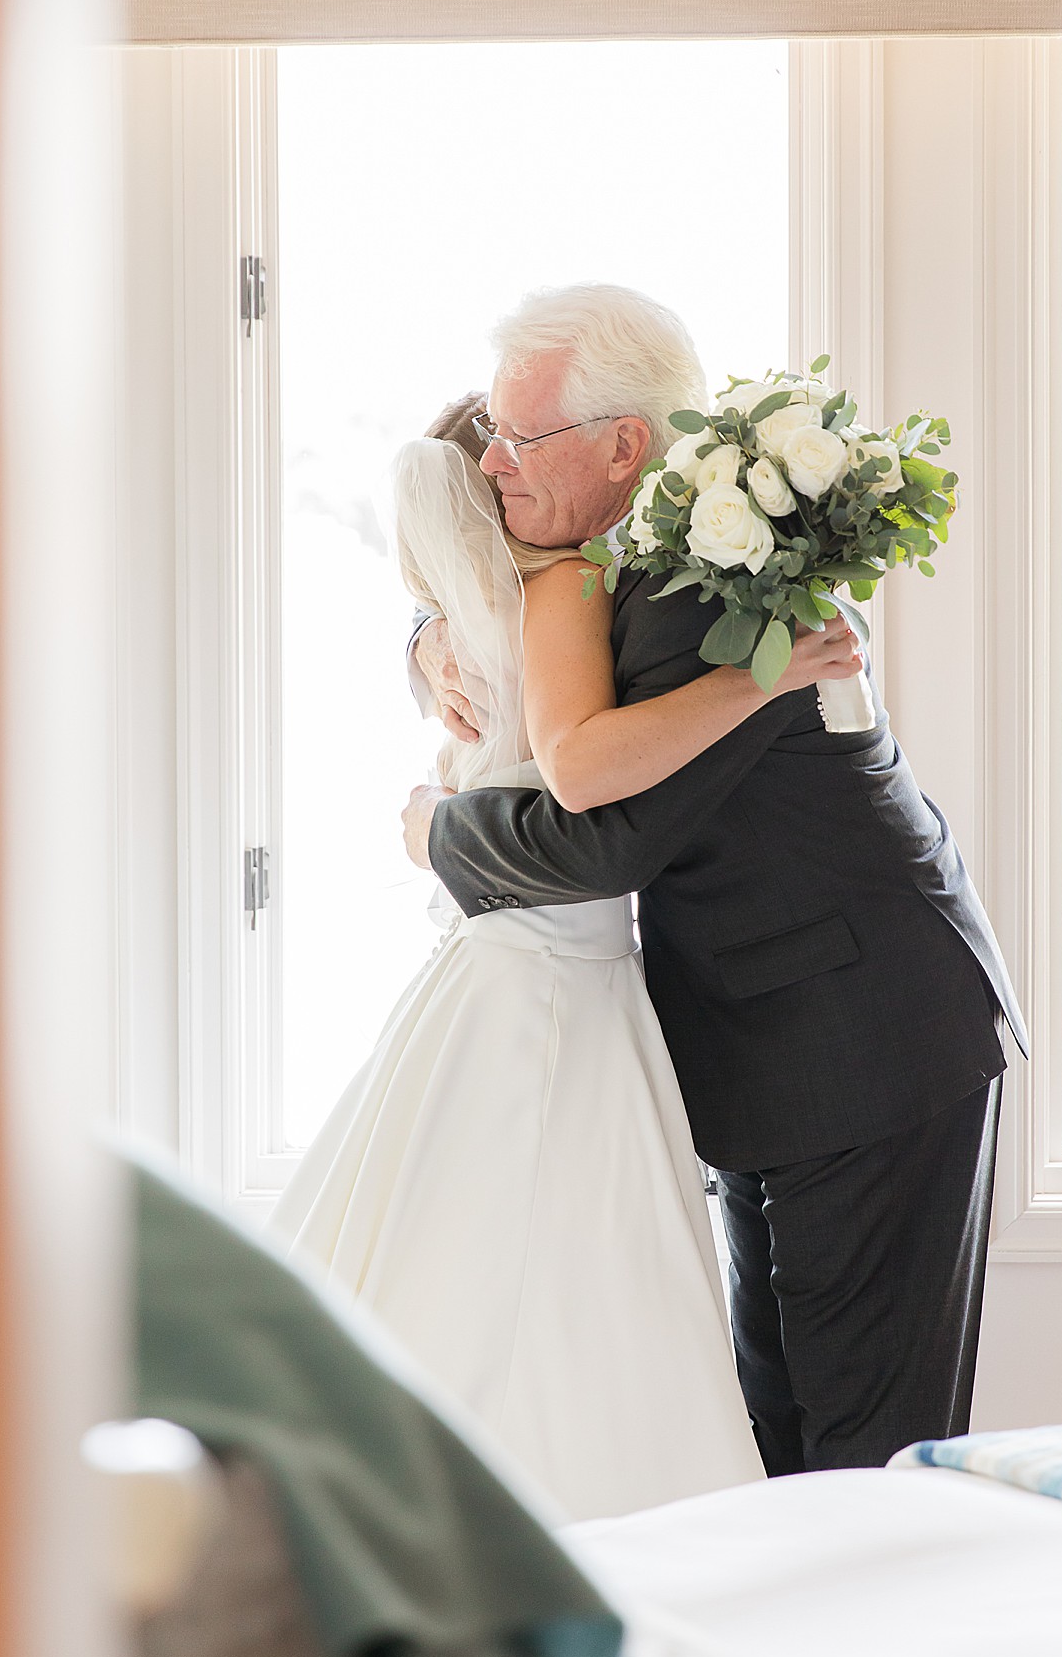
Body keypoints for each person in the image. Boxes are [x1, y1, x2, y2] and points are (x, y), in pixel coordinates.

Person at [404, 285, 1027, 1479]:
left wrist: (435, 831)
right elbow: (501, 630)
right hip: (769, 1038)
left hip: (865, 1036)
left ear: (621, 445)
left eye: (519, 438)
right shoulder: (625, 565)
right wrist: (429, 651)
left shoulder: (711, 594)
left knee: (865, 1442)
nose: (491, 461)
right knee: (778, 1422)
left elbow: (601, 840)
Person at [270, 384, 855, 1522]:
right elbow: (587, 780)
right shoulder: (564, 586)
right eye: (509, 456)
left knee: (504, 1242)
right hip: (556, 966)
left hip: (521, 961)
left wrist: (427, 674)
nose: (516, 470)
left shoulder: (475, 611)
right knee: (576, 1257)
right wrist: (767, 674)